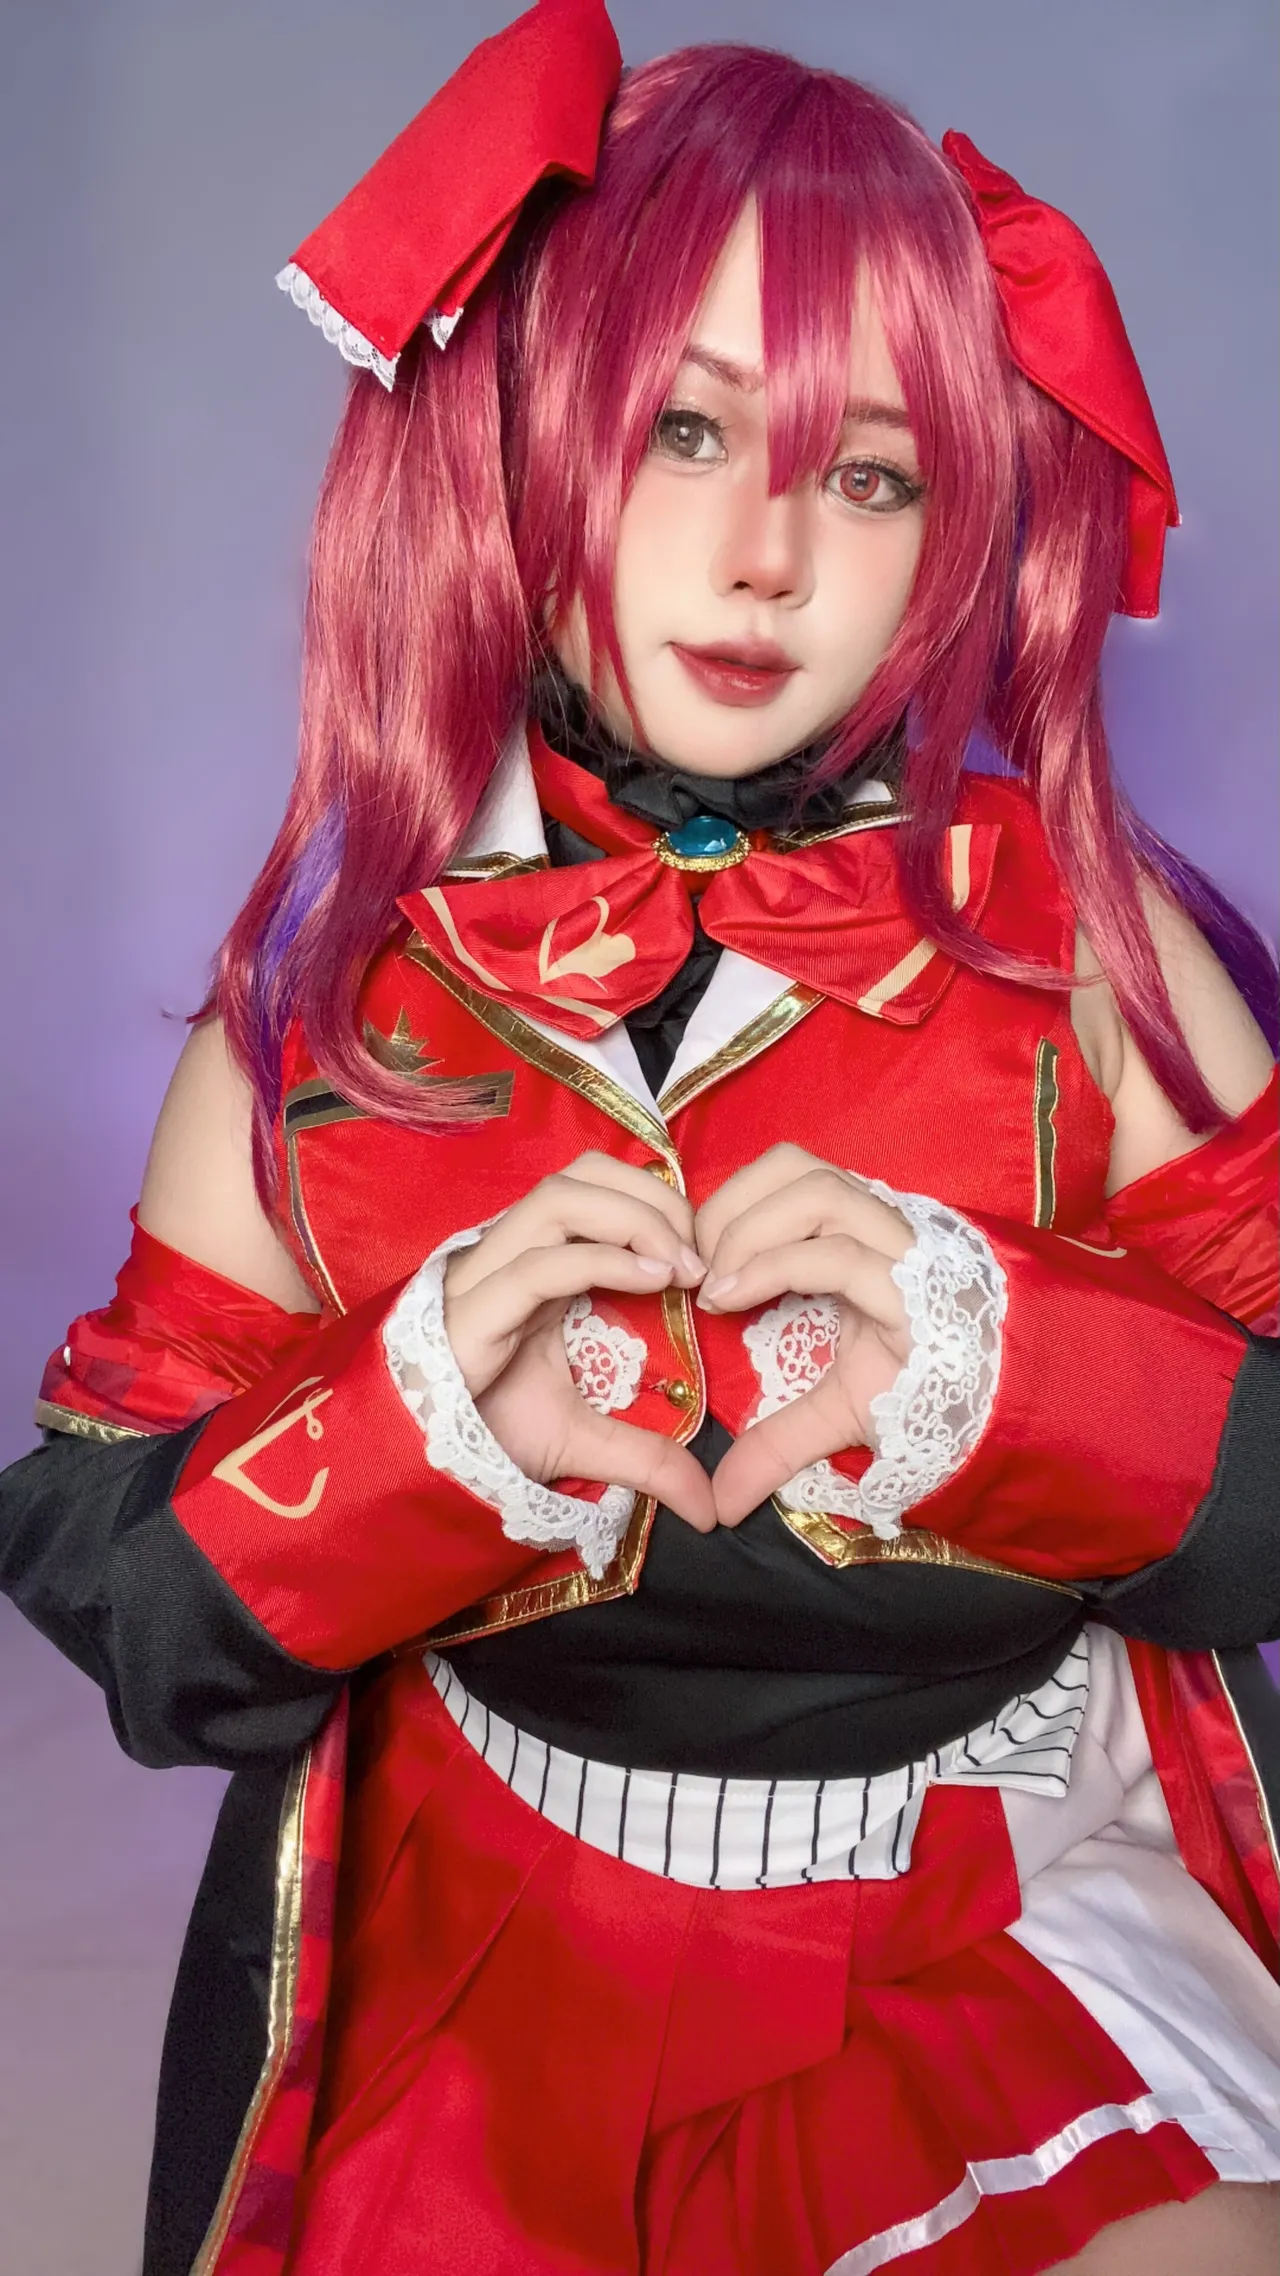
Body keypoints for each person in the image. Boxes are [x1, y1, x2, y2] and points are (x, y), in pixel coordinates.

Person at [2, 5, 1278, 2271]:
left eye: (871, 474)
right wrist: (414, 1443)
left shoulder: (1091, 951)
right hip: (486, 1930)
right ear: (521, 443)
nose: (768, 553)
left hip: (1012, 1901)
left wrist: (1034, 1381)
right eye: (684, 430)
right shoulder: (325, 1015)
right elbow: (131, 1612)